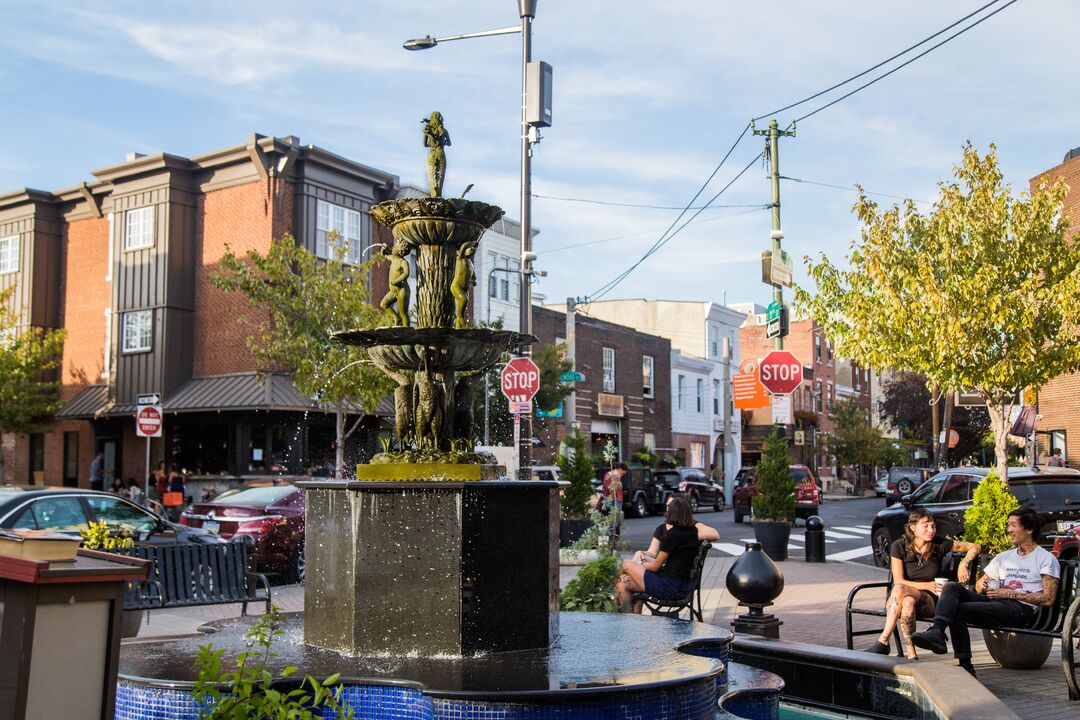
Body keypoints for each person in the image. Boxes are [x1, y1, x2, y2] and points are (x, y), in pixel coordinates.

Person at [911, 508, 1060, 676]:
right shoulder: (1004, 557)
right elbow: (980, 585)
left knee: (957, 611)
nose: (1009, 530)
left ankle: (965, 664)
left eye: (1013, 525)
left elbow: (1048, 599)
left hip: (1020, 609)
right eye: (1008, 525)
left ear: (1029, 529)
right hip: (995, 601)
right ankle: (937, 632)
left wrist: (1009, 594)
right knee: (952, 587)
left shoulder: (1045, 559)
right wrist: (982, 584)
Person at [866, 508, 980, 658]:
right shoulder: (899, 546)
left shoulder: (939, 544)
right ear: (913, 528)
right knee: (907, 602)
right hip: (906, 595)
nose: (931, 530)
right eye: (925, 525)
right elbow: (899, 580)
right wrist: (926, 585)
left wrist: (964, 563)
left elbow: (975, 547)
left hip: (931, 600)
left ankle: (884, 641)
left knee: (901, 591)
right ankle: (912, 654)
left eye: (933, 526)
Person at [615, 496, 703, 612]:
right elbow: (673, 562)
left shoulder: (672, 535)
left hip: (669, 588)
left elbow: (655, 566)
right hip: (682, 586)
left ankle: (613, 596)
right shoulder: (693, 532)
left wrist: (641, 563)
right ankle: (633, 622)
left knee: (626, 564)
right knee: (622, 583)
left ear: (671, 513)